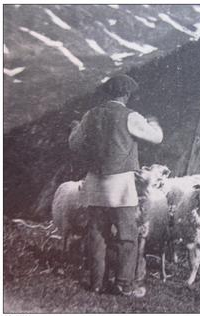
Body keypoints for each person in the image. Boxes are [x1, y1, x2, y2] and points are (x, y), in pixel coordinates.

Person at [68, 74, 163, 298]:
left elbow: (74, 143)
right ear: (127, 95)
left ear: (107, 92)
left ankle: (96, 284)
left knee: (96, 234)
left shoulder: (90, 115)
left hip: (94, 184)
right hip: (120, 186)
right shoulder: (131, 117)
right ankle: (124, 284)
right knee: (127, 236)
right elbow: (156, 137)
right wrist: (153, 123)